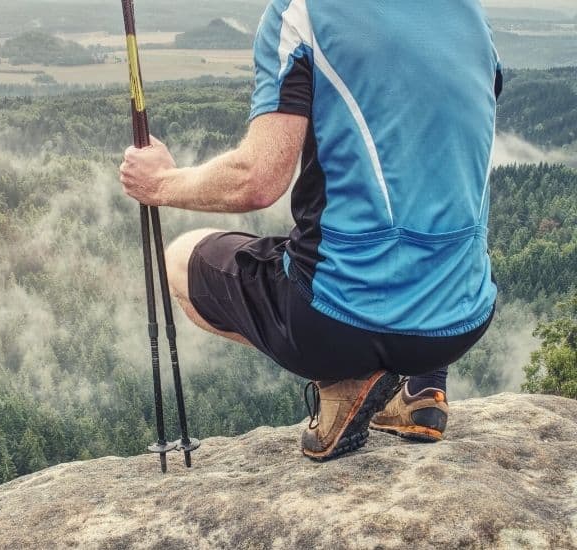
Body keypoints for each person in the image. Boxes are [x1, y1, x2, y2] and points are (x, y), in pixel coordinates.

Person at [119, 0, 502, 460]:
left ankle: (345, 382)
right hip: (460, 321)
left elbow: (257, 181)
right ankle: (424, 393)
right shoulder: (470, 15)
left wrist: (159, 183)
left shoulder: (300, 12)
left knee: (180, 260)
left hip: (338, 322)